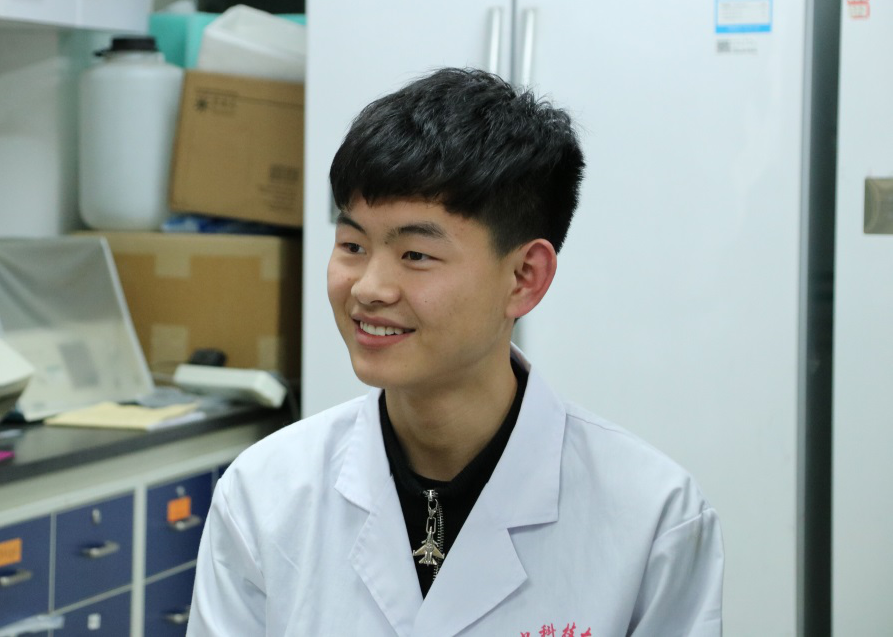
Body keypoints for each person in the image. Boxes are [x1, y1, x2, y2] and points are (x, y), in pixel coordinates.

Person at [187, 68, 723, 636]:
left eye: (415, 255)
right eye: (352, 245)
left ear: (524, 277)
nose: (368, 288)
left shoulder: (653, 516)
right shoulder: (265, 494)